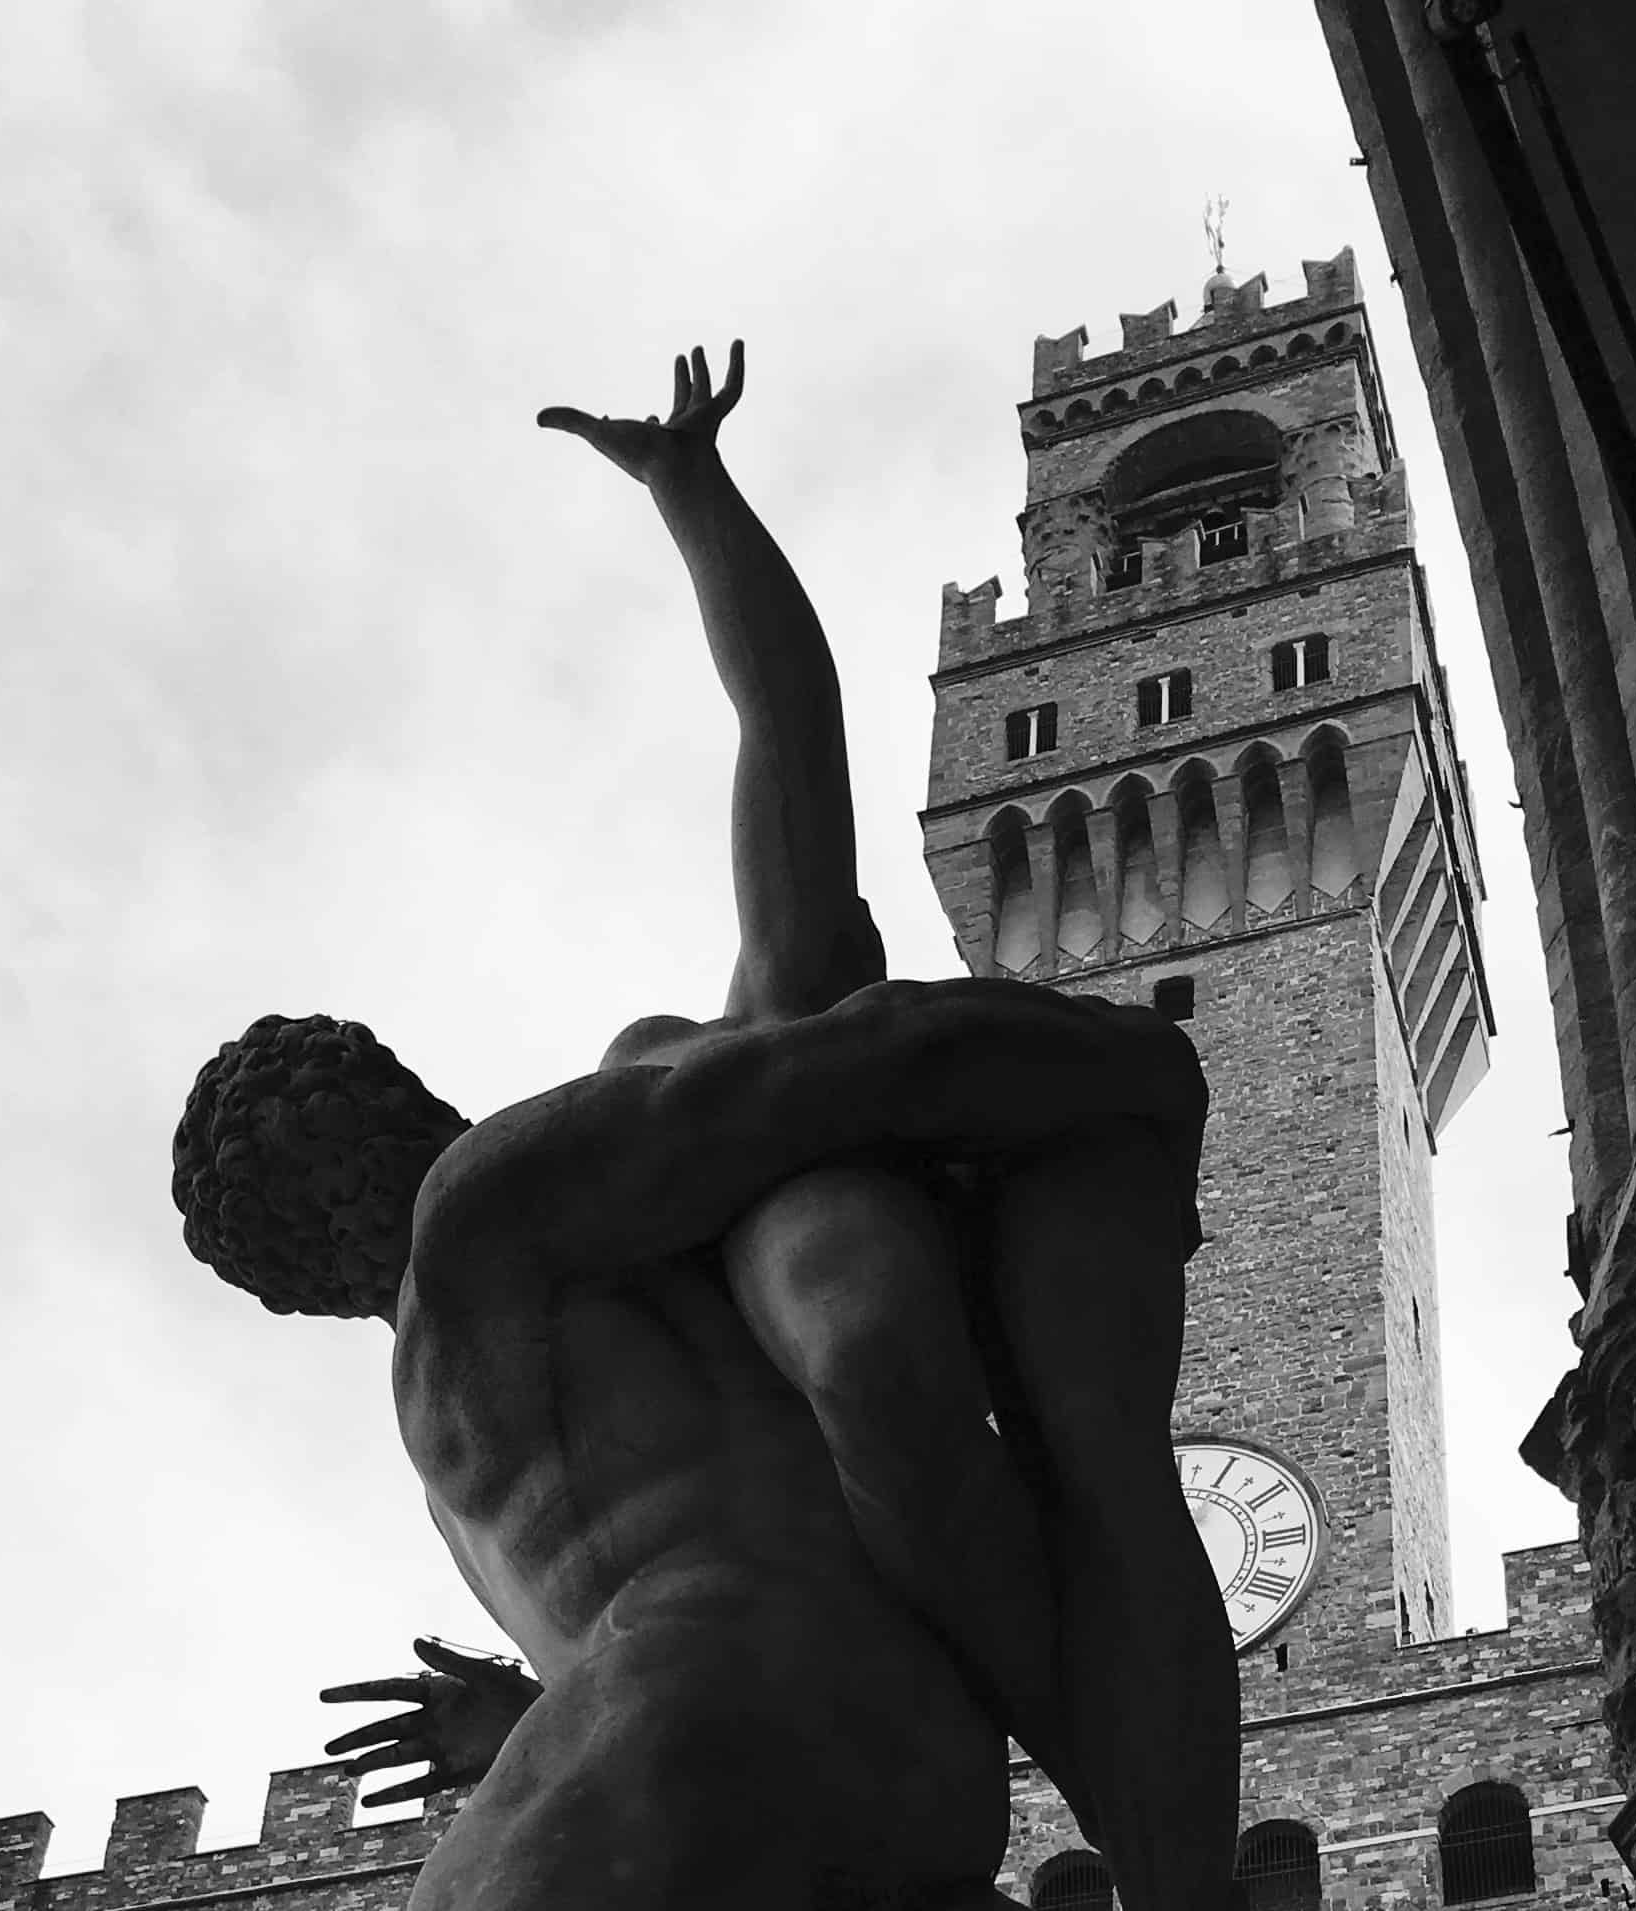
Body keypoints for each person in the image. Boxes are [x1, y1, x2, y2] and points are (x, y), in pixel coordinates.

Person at [172, 346, 1238, 1910]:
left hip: (717, 1720)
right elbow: (794, 786)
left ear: (296, 1278)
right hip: (894, 1772)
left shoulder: (482, 1290)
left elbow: (796, 858)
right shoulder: (532, 1256)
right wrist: (694, 499)